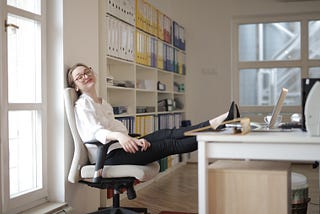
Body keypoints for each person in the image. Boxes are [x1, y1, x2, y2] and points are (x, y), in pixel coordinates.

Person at [67, 63, 234, 181]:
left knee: (165, 133)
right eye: (79, 76)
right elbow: (95, 132)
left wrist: (132, 140)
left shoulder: (103, 103)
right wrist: (120, 136)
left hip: (121, 147)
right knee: (168, 144)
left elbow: (119, 129)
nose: (85, 76)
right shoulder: (82, 105)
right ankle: (216, 131)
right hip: (108, 156)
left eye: (87, 71)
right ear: (75, 86)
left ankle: (215, 123)